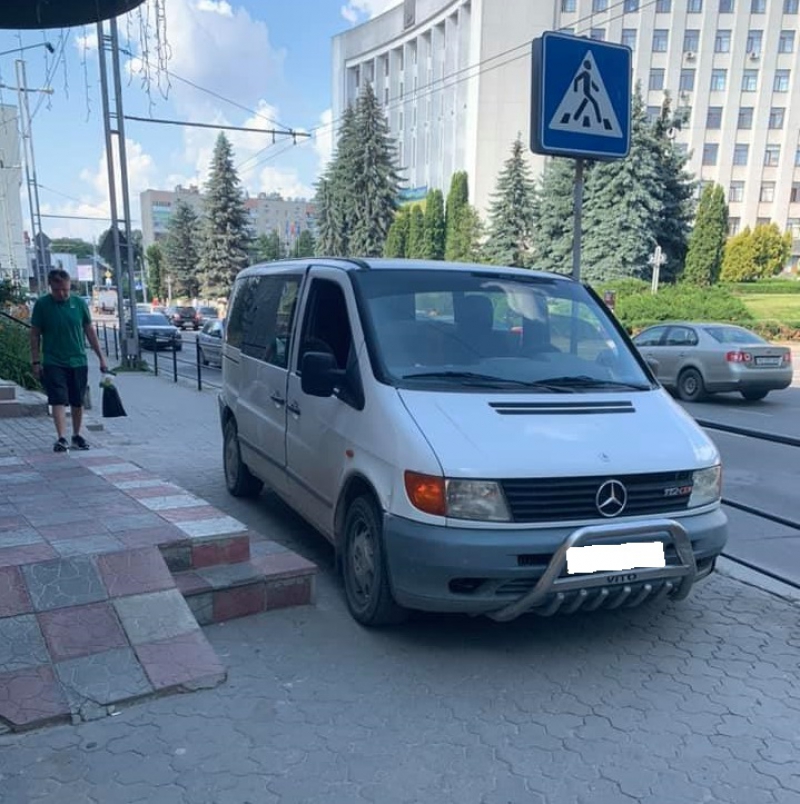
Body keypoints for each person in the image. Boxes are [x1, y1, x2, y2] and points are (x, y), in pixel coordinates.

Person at [30, 268, 109, 452]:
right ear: (50, 287)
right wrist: (35, 361)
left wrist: (101, 358)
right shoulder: (42, 305)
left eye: (65, 289)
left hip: (78, 360)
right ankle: (61, 438)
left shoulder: (79, 304)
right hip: (53, 360)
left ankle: (77, 435)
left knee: (77, 400)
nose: (62, 294)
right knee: (57, 399)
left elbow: (90, 332)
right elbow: (34, 336)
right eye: (58, 290)